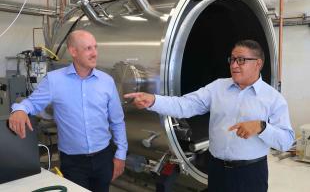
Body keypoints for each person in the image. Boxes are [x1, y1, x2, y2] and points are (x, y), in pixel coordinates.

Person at [124, 40, 295, 192]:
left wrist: (261, 127)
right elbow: (186, 105)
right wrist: (154, 100)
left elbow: (286, 141)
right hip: (217, 170)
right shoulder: (218, 88)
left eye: (241, 60)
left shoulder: (273, 99)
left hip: (250, 174)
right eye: (232, 59)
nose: (234, 65)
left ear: (258, 64)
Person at [9, 30, 128, 192]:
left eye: (95, 47)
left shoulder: (106, 81)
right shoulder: (54, 80)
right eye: (88, 48)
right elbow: (30, 104)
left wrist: (120, 154)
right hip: (73, 162)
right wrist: (19, 110)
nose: (94, 53)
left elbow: (117, 120)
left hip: (103, 157)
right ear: (73, 51)